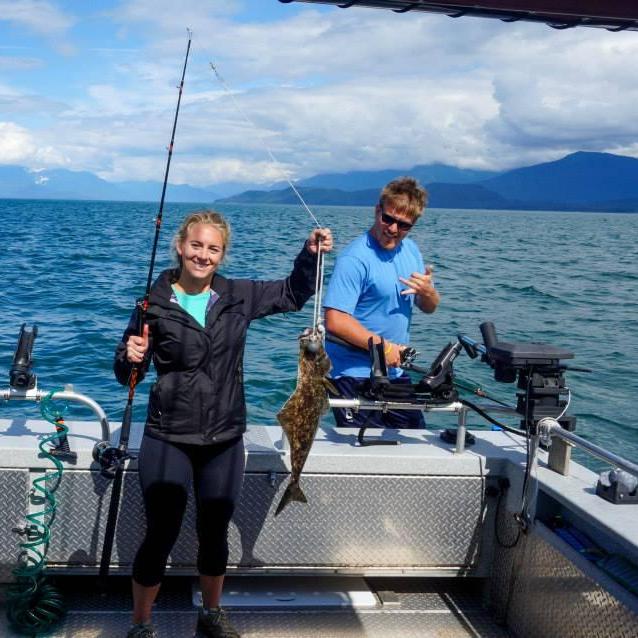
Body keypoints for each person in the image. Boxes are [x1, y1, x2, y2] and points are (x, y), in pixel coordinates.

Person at [114, 210, 333, 638]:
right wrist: (130, 356)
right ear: (181, 246)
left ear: (222, 254)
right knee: (160, 533)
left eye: (213, 249)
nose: (203, 255)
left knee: (215, 532)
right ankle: (141, 624)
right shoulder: (151, 303)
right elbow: (127, 377)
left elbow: (293, 294)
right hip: (168, 435)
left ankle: (211, 615)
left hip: (225, 436)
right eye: (196, 245)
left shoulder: (238, 296)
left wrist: (309, 256)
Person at [323, 176, 439, 429]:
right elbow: (334, 320)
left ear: (413, 224)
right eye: (388, 219)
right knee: (361, 455)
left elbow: (428, 307)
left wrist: (429, 293)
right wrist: (385, 349)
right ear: (377, 210)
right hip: (353, 376)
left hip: (395, 375)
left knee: (415, 445)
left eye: (404, 225)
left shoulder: (412, 252)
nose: (393, 229)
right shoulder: (355, 259)